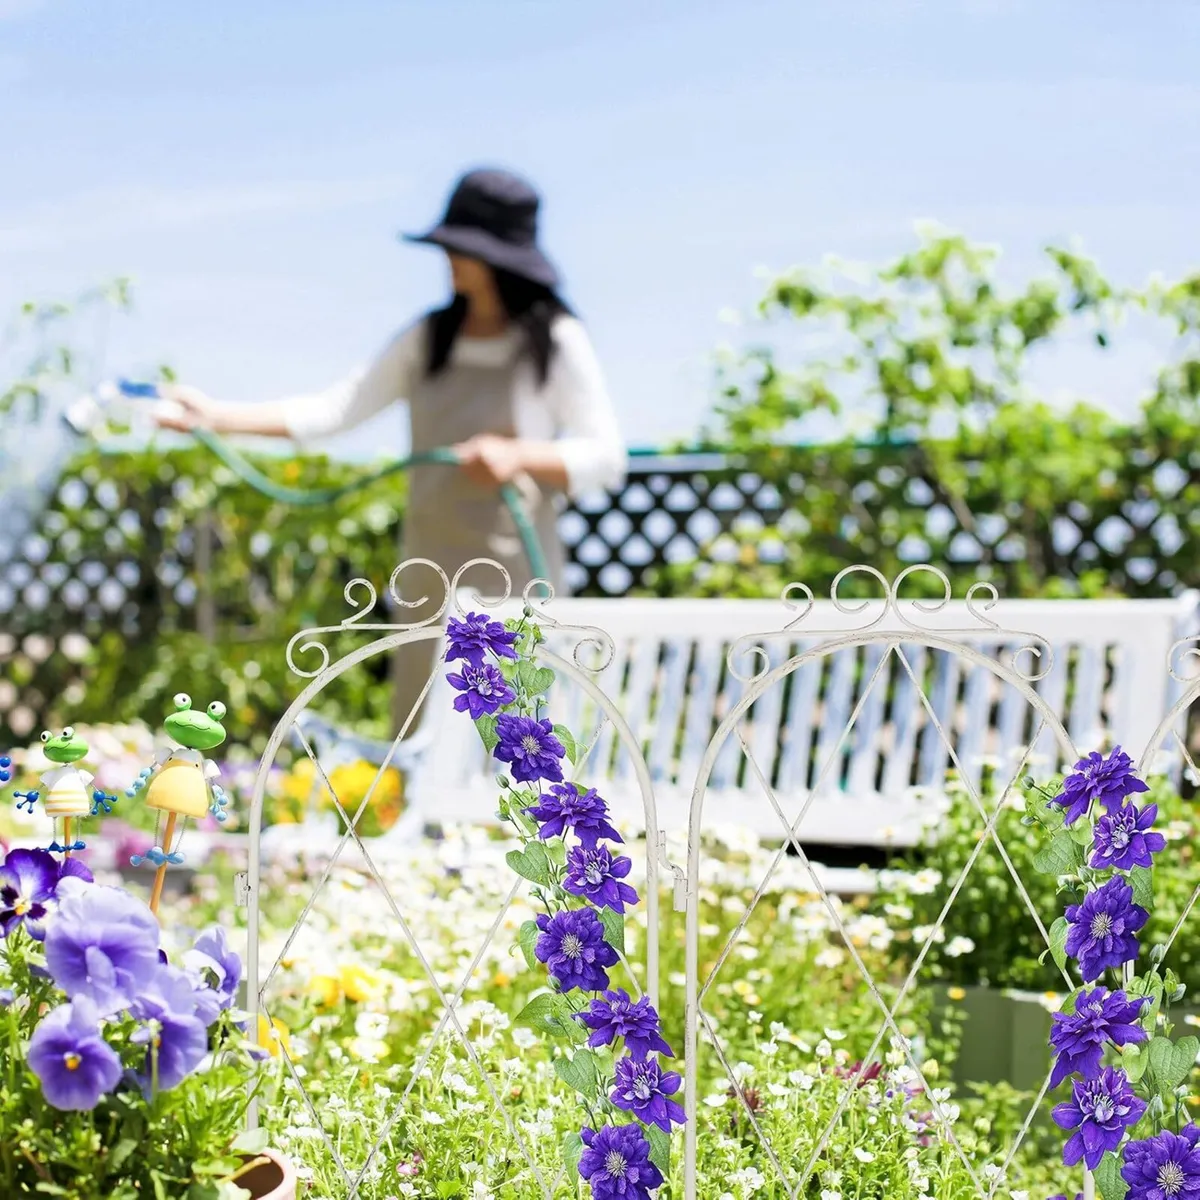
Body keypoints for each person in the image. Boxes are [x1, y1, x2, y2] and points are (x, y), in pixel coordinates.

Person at [156, 167, 625, 732]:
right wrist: (214, 417)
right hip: (431, 568)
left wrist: (517, 455)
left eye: (461, 249)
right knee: (423, 724)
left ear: (500, 258)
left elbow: (606, 456)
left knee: (519, 735)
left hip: (517, 575)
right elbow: (335, 410)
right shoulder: (427, 338)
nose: (449, 259)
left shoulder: (554, 341)